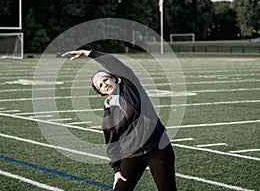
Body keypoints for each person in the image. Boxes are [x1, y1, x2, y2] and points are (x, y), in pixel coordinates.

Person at [62, 49, 177, 191]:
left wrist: (89, 53)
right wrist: (116, 169)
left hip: (158, 148)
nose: (105, 85)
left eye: (105, 80)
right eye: (100, 85)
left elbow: (116, 64)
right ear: (100, 92)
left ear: (114, 78)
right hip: (131, 155)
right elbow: (112, 143)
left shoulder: (131, 87)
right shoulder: (107, 115)